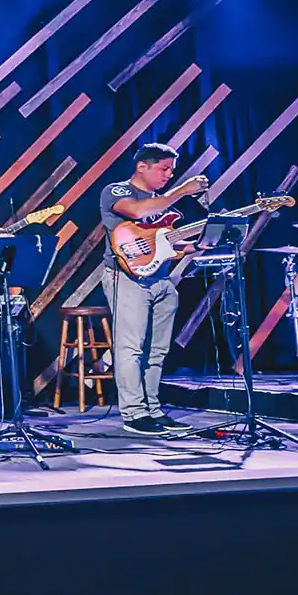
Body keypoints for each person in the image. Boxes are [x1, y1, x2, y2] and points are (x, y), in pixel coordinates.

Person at [101, 142, 208, 435]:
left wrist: (194, 246)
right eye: (164, 168)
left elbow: (164, 245)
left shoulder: (163, 203)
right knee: (131, 348)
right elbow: (134, 213)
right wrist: (182, 191)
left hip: (161, 279)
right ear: (142, 166)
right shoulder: (118, 191)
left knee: (157, 350)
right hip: (126, 278)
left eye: (172, 170)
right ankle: (134, 414)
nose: (169, 175)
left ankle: (153, 409)